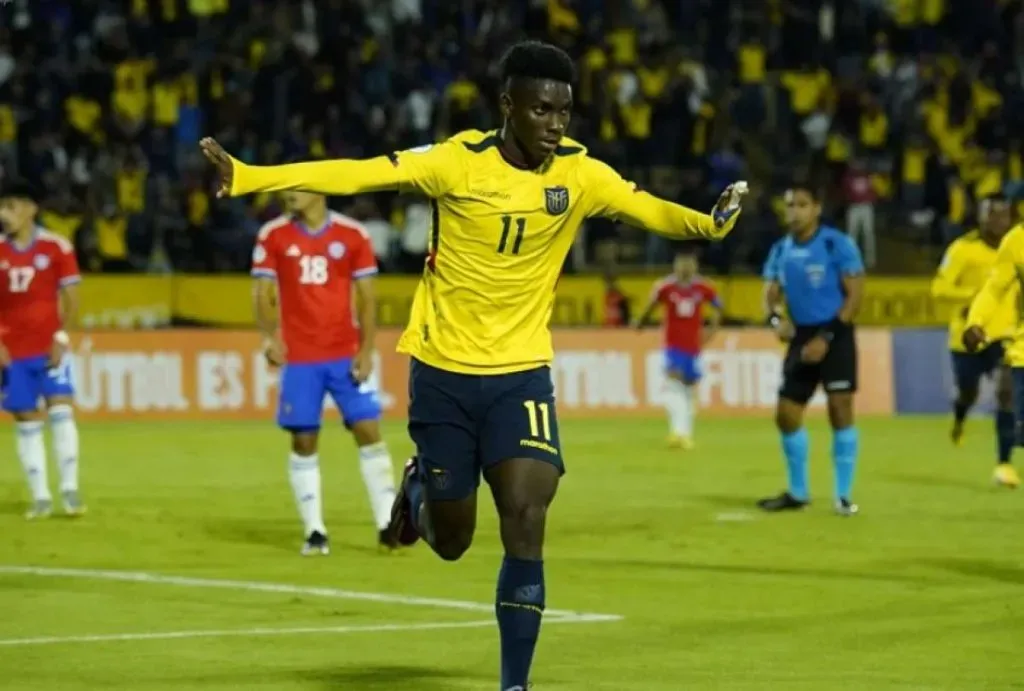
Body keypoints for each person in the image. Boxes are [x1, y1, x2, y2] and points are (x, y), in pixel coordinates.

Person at [201, 40, 746, 691]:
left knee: (526, 511)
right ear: (508, 105)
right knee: (453, 538)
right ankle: (419, 491)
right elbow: (360, 172)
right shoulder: (458, 163)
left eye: (564, 111)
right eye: (542, 109)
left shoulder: (580, 173)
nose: (555, 124)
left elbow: (645, 206)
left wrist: (708, 225)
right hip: (444, 373)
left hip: (521, 374)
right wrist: (254, 176)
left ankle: (514, 683)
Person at [251, 190, 398, 554]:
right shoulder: (273, 234)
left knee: (368, 430)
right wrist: (269, 337)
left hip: (344, 354)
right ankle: (315, 530)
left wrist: (366, 349)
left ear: (319, 189)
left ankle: (388, 523)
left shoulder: (352, 234)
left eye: (297, 186)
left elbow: (367, 297)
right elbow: (263, 291)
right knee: (303, 440)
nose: (289, 193)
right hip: (300, 358)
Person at [760, 184, 865, 516]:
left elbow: (855, 296)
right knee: (786, 414)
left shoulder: (837, 244)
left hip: (836, 334)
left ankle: (843, 495)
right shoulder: (780, 250)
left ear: (817, 208)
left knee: (840, 410)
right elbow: (769, 295)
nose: (794, 211)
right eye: (790, 205)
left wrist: (827, 338)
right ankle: (798, 492)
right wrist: (777, 320)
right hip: (801, 335)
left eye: (802, 205)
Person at [0, 179, 84, 519]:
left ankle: (70, 490)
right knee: (26, 420)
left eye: (12, 206)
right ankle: (41, 496)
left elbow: (72, 298)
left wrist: (62, 338)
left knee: (61, 412)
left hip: (50, 347)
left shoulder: (56, 247)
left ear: (31, 209)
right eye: (3, 206)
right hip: (12, 352)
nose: (5, 214)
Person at [930, 195, 1018, 487]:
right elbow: (939, 287)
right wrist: (970, 297)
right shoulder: (962, 249)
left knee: (1006, 392)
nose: (998, 221)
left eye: (1003, 215)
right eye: (992, 214)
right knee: (968, 392)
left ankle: (1004, 464)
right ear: (980, 216)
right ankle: (959, 417)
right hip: (967, 335)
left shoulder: (1015, 246)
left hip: (1006, 333)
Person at [633, 247, 722, 449]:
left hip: (694, 347)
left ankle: (684, 434)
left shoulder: (704, 288)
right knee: (674, 383)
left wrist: (711, 330)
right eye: (681, 262)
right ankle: (677, 432)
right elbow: (651, 305)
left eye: (689, 263)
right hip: (673, 345)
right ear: (675, 265)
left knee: (689, 390)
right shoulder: (666, 287)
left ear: (695, 266)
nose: (685, 267)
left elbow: (718, 306)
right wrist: (640, 322)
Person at [963, 215, 1024, 490]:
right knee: (1009, 404)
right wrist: (975, 321)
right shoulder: (1016, 240)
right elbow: (995, 288)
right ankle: (1004, 462)